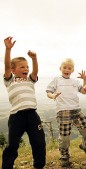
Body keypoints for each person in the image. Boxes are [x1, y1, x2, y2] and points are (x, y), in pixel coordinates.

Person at [2, 37, 46, 169]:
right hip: (16, 116)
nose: (26, 69)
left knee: (39, 142)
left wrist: (34, 59)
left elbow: (35, 71)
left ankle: (39, 166)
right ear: (14, 70)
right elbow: (7, 65)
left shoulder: (30, 80)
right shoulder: (10, 80)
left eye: (27, 67)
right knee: (12, 145)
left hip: (32, 115)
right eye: (22, 67)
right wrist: (8, 49)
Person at [46, 58, 86, 167]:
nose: (67, 69)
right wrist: (53, 95)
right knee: (65, 137)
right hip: (63, 111)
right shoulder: (56, 80)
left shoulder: (75, 82)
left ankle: (85, 146)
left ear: (72, 70)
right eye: (65, 67)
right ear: (60, 68)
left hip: (76, 110)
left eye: (69, 68)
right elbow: (48, 92)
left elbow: (84, 91)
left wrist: (85, 80)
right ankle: (64, 155)